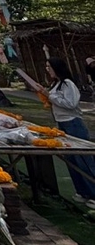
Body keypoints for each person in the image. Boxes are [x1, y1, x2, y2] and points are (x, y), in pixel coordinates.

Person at [45, 58, 95, 209]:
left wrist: (50, 96)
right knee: (71, 159)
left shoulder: (68, 84)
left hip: (73, 123)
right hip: (61, 124)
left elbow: (71, 104)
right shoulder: (56, 84)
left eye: (49, 67)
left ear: (56, 68)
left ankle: (93, 193)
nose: (47, 69)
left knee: (83, 159)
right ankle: (82, 191)